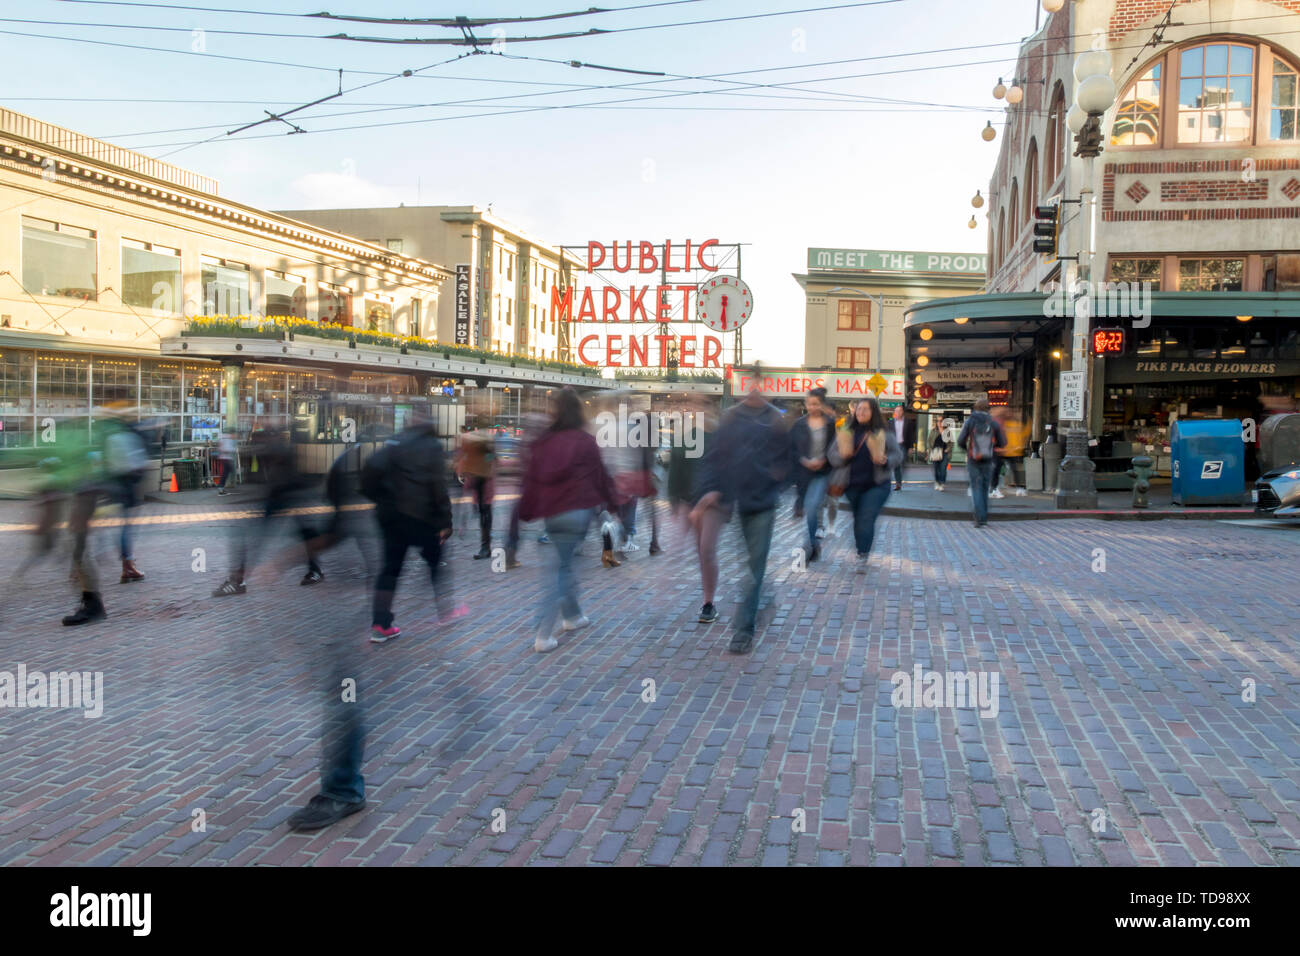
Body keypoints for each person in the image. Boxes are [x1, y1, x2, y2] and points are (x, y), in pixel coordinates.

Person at [517, 388, 622, 654]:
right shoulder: (585, 441)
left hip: (552, 512)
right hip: (578, 512)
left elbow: (531, 478)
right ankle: (544, 634)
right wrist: (614, 505)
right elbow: (600, 476)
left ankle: (573, 616)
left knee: (562, 564)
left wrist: (525, 510)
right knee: (560, 570)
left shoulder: (544, 441)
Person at [693, 378, 792, 654]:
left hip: (763, 503)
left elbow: (788, 458)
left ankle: (743, 630)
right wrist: (710, 489)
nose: (755, 390)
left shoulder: (774, 421)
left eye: (760, 385)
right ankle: (763, 598)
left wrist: (777, 480)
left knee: (754, 568)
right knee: (750, 565)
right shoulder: (732, 419)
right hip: (737, 500)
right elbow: (714, 458)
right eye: (752, 385)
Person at [362, 414, 466, 643]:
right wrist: (445, 523)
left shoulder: (394, 441)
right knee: (436, 562)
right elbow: (438, 488)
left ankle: (381, 624)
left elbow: (369, 472)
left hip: (390, 517)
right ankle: (446, 612)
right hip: (420, 516)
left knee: (389, 570)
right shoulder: (431, 446)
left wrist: (380, 500)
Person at [212, 426, 324, 596]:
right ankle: (315, 571)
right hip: (285, 496)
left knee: (254, 535)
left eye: (259, 439)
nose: (257, 443)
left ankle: (237, 581)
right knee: (304, 533)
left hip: (285, 496)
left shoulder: (280, 449)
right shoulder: (280, 448)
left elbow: (271, 460)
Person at [835, 397, 902, 573]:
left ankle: (863, 554)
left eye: (865, 409)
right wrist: (842, 456)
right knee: (858, 520)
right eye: (858, 409)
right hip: (852, 485)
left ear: (873, 412)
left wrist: (887, 460)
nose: (861, 412)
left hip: (877, 485)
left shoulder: (882, 433)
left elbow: (898, 454)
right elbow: (831, 453)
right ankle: (861, 550)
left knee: (866, 517)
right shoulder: (847, 431)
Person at [100, 403, 151, 583]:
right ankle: (127, 565)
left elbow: (107, 461)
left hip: (114, 483)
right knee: (127, 526)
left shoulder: (111, 436)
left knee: (122, 525)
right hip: (127, 483)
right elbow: (136, 462)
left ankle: (126, 563)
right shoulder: (129, 436)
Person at [790, 387, 835, 562]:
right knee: (810, 508)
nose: (812, 407)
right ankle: (814, 543)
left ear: (822, 404)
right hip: (804, 473)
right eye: (809, 403)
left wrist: (824, 460)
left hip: (822, 473)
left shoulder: (830, 424)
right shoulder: (799, 424)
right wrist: (803, 460)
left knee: (813, 506)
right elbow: (791, 449)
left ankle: (808, 545)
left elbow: (834, 449)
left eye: (816, 404)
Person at [958, 397, 1007, 528]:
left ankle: (978, 518)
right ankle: (984, 518)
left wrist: (968, 450)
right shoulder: (993, 422)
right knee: (985, 488)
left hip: (973, 459)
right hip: (988, 459)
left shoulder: (970, 421)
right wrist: (991, 449)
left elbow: (960, 440)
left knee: (975, 487)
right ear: (988, 408)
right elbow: (1003, 442)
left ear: (975, 408)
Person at [454, 421, 495, 560]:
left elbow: (491, 460)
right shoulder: (483, 444)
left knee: (484, 513)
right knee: (484, 512)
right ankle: (485, 546)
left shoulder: (476, 444)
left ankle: (486, 546)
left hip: (484, 485)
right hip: (482, 484)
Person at [890, 405, 915, 491]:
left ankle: (902, 472)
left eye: (899, 411)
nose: (898, 413)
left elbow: (912, 435)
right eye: (896, 411)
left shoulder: (908, 422)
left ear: (902, 412)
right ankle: (898, 483)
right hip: (894, 446)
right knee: (896, 465)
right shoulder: (891, 422)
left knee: (902, 461)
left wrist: (911, 447)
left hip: (904, 445)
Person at [928, 418, 951, 490]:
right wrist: (929, 450)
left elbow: (951, 442)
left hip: (944, 452)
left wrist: (948, 449)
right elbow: (929, 441)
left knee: (943, 469)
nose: (939, 422)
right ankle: (937, 482)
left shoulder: (947, 431)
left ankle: (942, 483)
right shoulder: (933, 431)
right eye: (938, 421)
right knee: (936, 469)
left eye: (941, 421)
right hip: (935, 452)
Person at [215, 428, 237, 495]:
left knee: (226, 472)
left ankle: (221, 487)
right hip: (227, 458)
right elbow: (226, 449)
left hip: (225, 458)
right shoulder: (227, 439)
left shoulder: (223, 438)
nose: (235, 436)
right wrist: (233, 450)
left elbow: (222, 447)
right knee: (227, 472)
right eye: (234, 434)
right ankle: (221, 487)